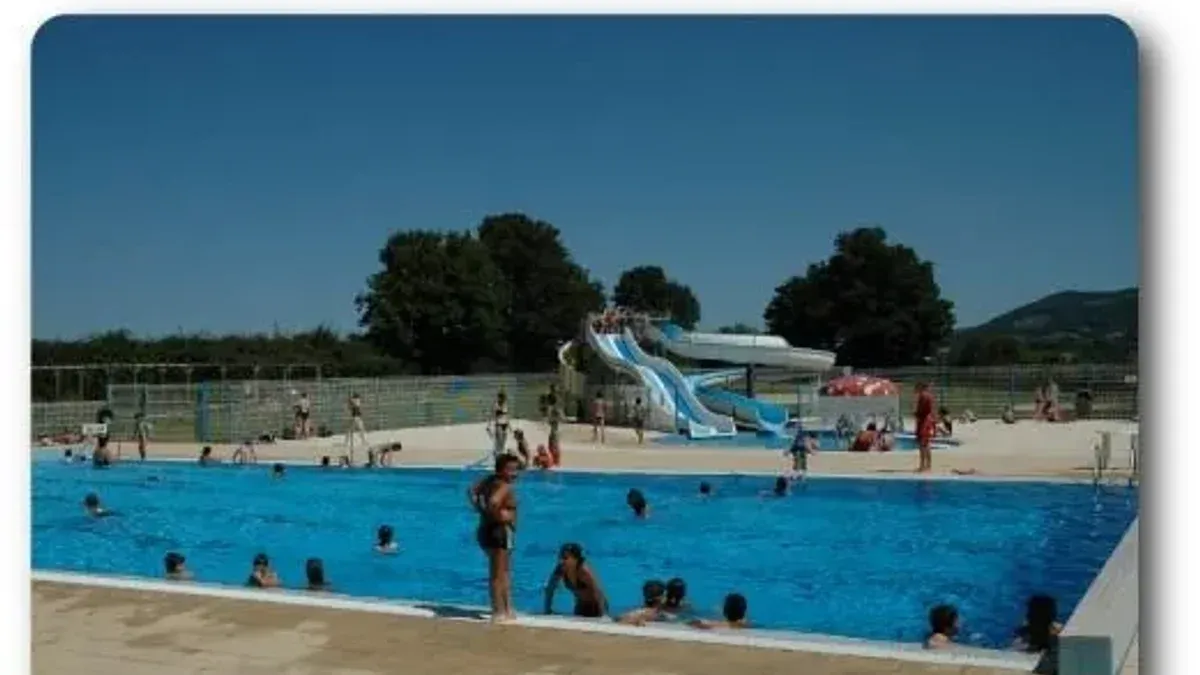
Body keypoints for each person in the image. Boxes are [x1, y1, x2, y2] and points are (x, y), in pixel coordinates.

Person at [469, 453, 521, 622]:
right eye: (511, 470)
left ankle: (507, 609)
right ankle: (499, 611)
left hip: (485, 529)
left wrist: (480, 509)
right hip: (500, 531)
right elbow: (493, 502)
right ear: (501, 470)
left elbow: (470, 491)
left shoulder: (488, 480)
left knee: (502, 572)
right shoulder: (505, 486)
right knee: (499, 573)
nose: (515, 474)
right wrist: (501, 515)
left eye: (516, 470)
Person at [543, 543, 609, 618]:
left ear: (576, 559)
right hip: (581, 606)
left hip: (597, 606)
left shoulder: (583, 571)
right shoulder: (561, 568)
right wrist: (547, 610)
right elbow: (549, 588)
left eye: (565, 558)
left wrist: (604, 615)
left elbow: (598, 592)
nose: (561, 561)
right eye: (560, 557)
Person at [914, 383, 937, 473]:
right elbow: (930, 410)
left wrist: (916, 414)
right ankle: (927, 465)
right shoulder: (929, 396)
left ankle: (923, 466)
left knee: (923, 444)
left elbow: (922, 410)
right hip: (927, 421)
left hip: (923, 421)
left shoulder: (923, 396)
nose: (915, 391)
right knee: (926, 444)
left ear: (920, 388)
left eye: (916, 389)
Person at [345, 393, 369, 459]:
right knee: (359, 429)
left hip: (356, 417)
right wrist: (350, 400)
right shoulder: (355, 402)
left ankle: (347, 441)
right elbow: (353, 406)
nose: (359, 399)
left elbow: (352, 406)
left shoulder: (354, 402)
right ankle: (363, 441)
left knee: (355, 429)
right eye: (358, 398)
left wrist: (350, 401)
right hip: (355, 417)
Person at [489, 390, 511, 457]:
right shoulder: (496, 404)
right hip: (499, 423)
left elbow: (507, 415)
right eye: (501, 398)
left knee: (504, 439)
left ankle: (501, 451)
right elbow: (493, 414)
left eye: (504, 398)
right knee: (500, 439)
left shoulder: (505, 404)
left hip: (505, 423)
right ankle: (498, 452)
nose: (503, 399)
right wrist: (489, 424)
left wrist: (509, 426)